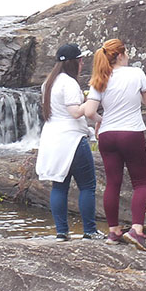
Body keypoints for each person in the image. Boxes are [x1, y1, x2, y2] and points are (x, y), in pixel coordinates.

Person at [80, 39, 146, 251]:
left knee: (113, 183)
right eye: (127, 53)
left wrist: (100, 121)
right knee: (140, 182)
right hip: (131, 132)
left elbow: (88, 111)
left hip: (107, 135)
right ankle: (137, 230)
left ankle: (113, 231)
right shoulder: (136, 73)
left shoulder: (100, 78)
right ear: (121, 55)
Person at [35, 43, 99, 241]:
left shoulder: (48, 83)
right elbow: (75, 112)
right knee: (87, 186)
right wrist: (93, 99)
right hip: (71, 140)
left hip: (52, 140)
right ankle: (89, 230)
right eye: (80, 61)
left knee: (59, 186)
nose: (82, 64)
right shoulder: (69, 83)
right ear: (75, 62)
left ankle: (61, 233)